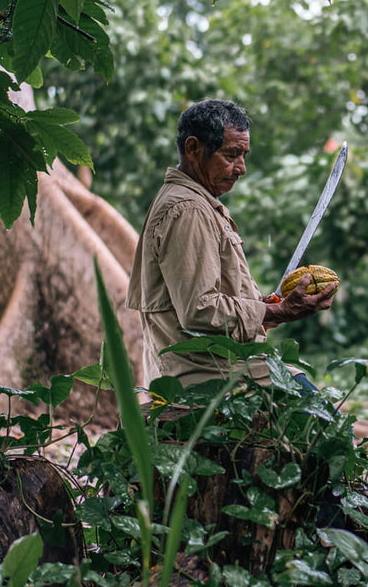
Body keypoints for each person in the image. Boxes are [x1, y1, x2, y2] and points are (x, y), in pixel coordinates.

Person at [125, 99, 338, 385]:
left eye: (244, 155)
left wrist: (263, 308)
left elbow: (204, 299)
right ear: (193, 148)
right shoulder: (188, 209)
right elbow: (199, 310)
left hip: (223, 366)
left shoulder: (196, 202)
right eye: (232, 155)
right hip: (205, 376)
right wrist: (278, 311)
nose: (242, 168)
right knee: (312, 405)